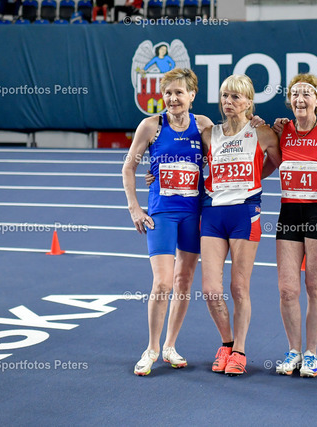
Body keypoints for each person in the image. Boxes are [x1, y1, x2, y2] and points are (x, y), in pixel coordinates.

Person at [122, 68, 214, 376]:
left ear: (192, 95)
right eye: (168, 93)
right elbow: (128, 168)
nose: (173, 98)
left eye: (179, 93)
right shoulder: (151, 125)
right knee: (162, 282)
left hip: (193, 213)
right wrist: (135, 208)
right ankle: (151, 348)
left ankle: (170, 346)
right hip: (162, 212)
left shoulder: (204, 125)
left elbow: (223, 158)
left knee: (183, 282)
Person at [200, 74, 281, 376]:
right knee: (210, 290)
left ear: (249, 101)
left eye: (235, 97)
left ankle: (240, 350)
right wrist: (155, 174)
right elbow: (188, 161)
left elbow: (280, 162)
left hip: (245, 214)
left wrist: (258, 175)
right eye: (225, 96)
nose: (229, 102)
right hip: (212, 213)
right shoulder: (209, 134)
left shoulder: (262, 132)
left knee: (238, 287)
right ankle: (226, 342)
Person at [272, 74, 317, 378]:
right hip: (289, 214)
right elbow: (262, 164)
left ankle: (312, 353)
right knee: (287, 290)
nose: (300, 99)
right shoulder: (281, 131)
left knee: (314, 287)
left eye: (306, 94)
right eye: (295, 94)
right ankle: (294, 350)